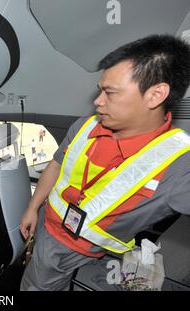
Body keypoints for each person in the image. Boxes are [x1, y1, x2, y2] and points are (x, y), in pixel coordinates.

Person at [20, 34, 190, 291]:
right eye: (100, 89)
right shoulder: (85, 126)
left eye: (110, 93)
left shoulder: (180, 166)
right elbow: (56, 165)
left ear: (156, 95)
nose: (97, 101)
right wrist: (33, 207)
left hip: (85, 250)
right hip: (47, 227)